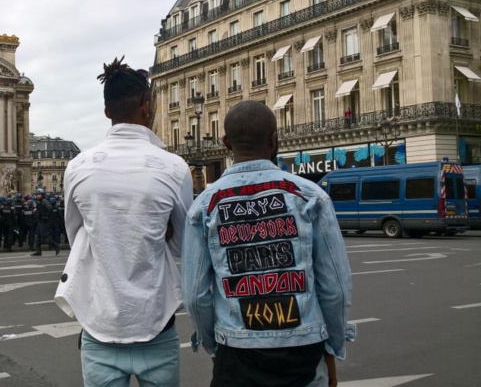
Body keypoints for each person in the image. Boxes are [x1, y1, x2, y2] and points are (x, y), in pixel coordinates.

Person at [181, 100, 355, 387]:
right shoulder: (311, 196)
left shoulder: (204, 206)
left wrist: (216, 344)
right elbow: (335, 285)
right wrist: (333, 345)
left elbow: (195, 295)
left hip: (237, 353)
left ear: (226, 142)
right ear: (275, 138)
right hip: (303, 350)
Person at [54, 56, 192, 387]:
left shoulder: (77, 167)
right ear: (147, 106)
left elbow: (78, 237)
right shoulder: (173, 167)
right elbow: (184, 244)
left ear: (106, 112)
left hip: (99, 321)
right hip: (156, 322)